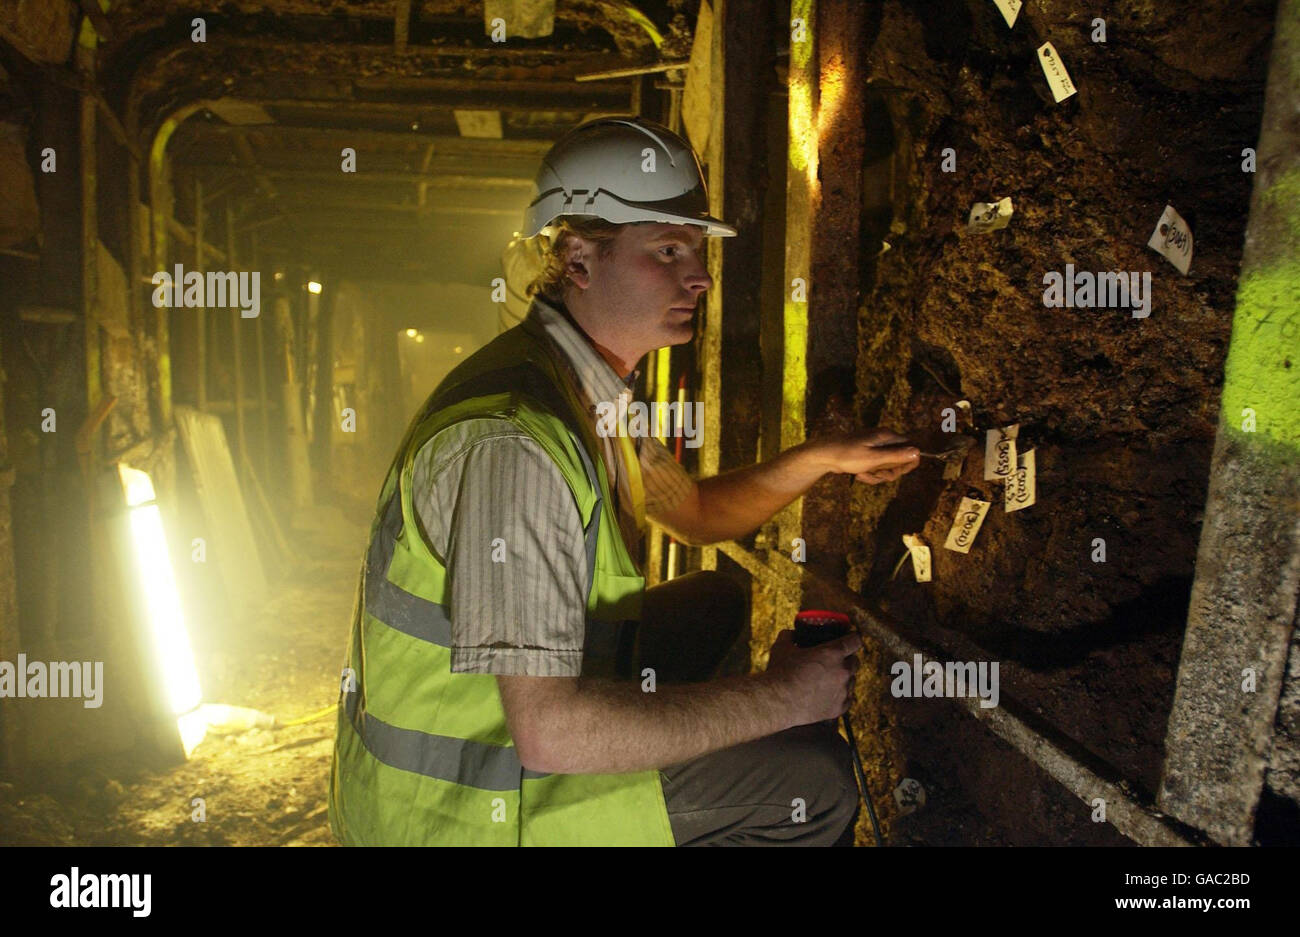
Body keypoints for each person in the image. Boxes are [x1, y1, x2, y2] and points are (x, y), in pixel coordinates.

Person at [328, 116, 920, 846]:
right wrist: (778, 700)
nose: (698, 276)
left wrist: (820, 457)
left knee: (714, 603)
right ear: (577, 260)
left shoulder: (585, 390)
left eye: (696, 251)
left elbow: (698, 512)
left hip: (506, 742)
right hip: (465, 810)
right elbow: (550, 731)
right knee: (815, 782)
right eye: (668, 250)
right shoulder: (516, 443)